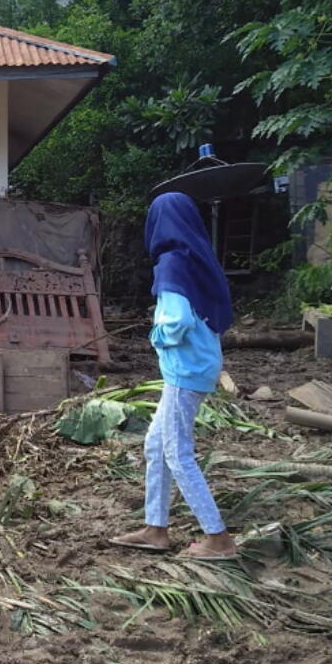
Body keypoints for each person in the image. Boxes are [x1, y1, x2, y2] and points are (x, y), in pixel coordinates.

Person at [111, 192, 237, 561]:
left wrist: (155, 336)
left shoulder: (170, 264)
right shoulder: (197, 258)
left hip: (185, 370)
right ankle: (156, 529)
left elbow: (177, 321)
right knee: (155, 444)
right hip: (199, 363)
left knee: (177, 452)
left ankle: (219, 538)